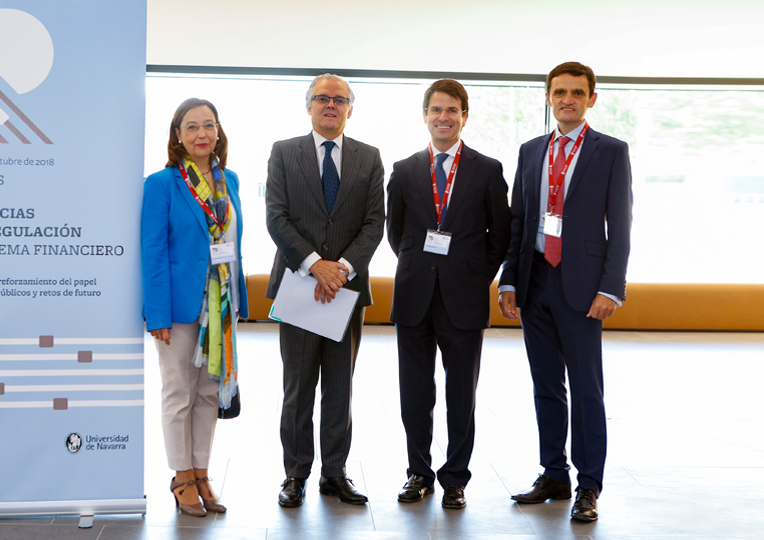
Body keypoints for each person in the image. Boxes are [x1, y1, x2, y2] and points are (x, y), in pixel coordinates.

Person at [498, 61, 632, 522]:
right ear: (549, 98)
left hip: (582, 287)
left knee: (587, 389)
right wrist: (510, 278)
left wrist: (611, 288)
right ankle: (553, 472)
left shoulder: (611, 151)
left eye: (577, 92)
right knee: (545, 386)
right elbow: (520, 220)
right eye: (560, 92)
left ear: (592, 98)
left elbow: (621, 224)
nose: (568, 99)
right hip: (535, 282)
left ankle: (588, 485)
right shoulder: (531, 150)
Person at [386, 79, 511, 509]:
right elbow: (396, 233)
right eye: (436, 110)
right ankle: (418, 472)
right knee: (415, 393)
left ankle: (455, 478)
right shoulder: (403, 171)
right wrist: (421, 266)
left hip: (464, 297)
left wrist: (478, 275)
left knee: (462, 395)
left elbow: (501, 234)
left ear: (464, 116)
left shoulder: (487, 169)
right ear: (425, 116)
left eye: (452, 110)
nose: (444, 117)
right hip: (414, 295)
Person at [265, 74, 385, 507]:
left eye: (339, 99)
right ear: (308, 106)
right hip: (299, 288)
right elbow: (276, 217)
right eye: (322, 98)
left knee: (340, 387)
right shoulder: (283, 152)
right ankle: (295, 475)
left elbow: (375, 223)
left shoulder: (369, 158)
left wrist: (343, 269)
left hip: (347, 293)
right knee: (298, 388)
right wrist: (316, 265)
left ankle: (334, 474)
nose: (330, 105)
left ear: (351, 109)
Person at [141, 97, 249, 517]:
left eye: (209, 125)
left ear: (218, 131)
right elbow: (153, 250)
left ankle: (202, 472)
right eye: (192, 127)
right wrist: (158, 313)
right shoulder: (161, 183)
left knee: (209, 393)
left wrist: (236, 299)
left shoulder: (231, 180)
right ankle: (181, 475)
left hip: (221, 303)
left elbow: (235, 245)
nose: (202, 134)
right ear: (178, 136)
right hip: (180, 307)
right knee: (178, 393)